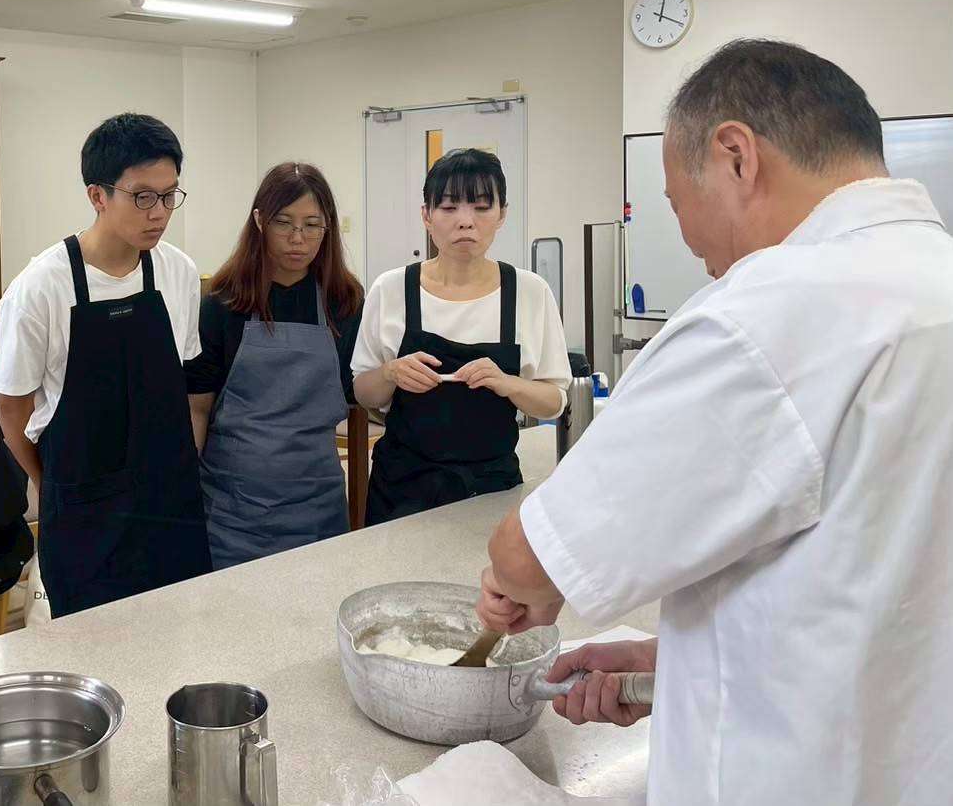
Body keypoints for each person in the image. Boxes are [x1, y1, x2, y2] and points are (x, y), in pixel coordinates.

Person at [478, 40, 953, 806]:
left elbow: (530, 559)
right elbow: (880, 581)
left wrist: (517, 586)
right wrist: (677, 664)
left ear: (736, 156)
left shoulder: (769, 311)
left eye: (675, 204)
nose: (694, 250)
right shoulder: (933, 280)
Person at [0, 113, 210, 616]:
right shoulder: (42, 285)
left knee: (178, 631)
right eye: (143, 197)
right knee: (90, 642)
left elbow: (180, 384)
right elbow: (10, 406)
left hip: (168, 500)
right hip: (84, 508)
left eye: (169, 195)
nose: (159, 213)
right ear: (98, 195)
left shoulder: (177, 271)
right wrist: (51, 483)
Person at [351, 149, 570, 523]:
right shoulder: (391, 289)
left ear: (502, 214)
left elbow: (554, 401)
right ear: (427, 215)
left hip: (492, 490)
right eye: (449, 207)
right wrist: (390, 373)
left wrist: (508, 384)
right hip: (402, 489)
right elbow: (363, 392)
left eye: (481, 207)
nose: (466, 222)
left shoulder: (530, 291)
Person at [186, 162, 364, 568]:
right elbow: (197, 409)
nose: (297, 239)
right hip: (233, 510)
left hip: (318, 507)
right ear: (259, 221)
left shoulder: (344, 302)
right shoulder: (223, 303)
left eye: (312, 225)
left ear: (328, 228)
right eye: (284, 223)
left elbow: (355, 394)